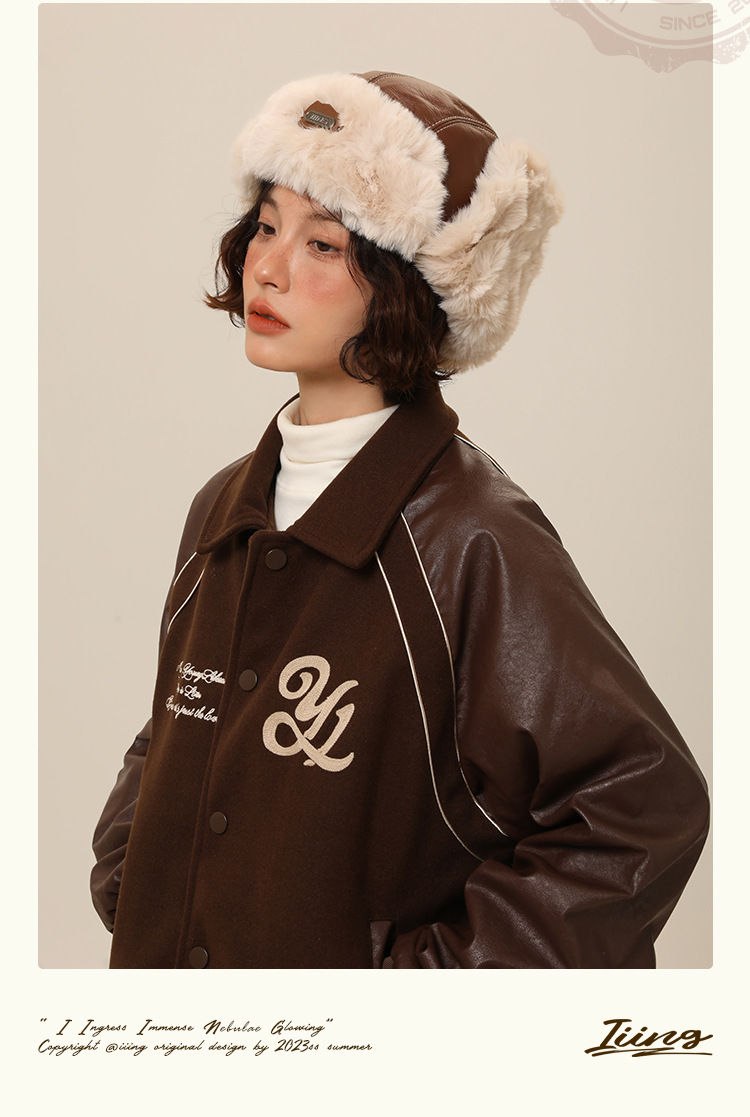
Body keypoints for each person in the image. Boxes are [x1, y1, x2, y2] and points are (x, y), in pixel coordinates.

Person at [90, 70, 709, 969]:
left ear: (407, 284)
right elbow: (181, 715)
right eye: (267, 225)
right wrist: (133, 868)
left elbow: (639, 806)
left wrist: (427, 996)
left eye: (324, 244)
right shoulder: (224, 505)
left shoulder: (471, 536)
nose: (267, 267)